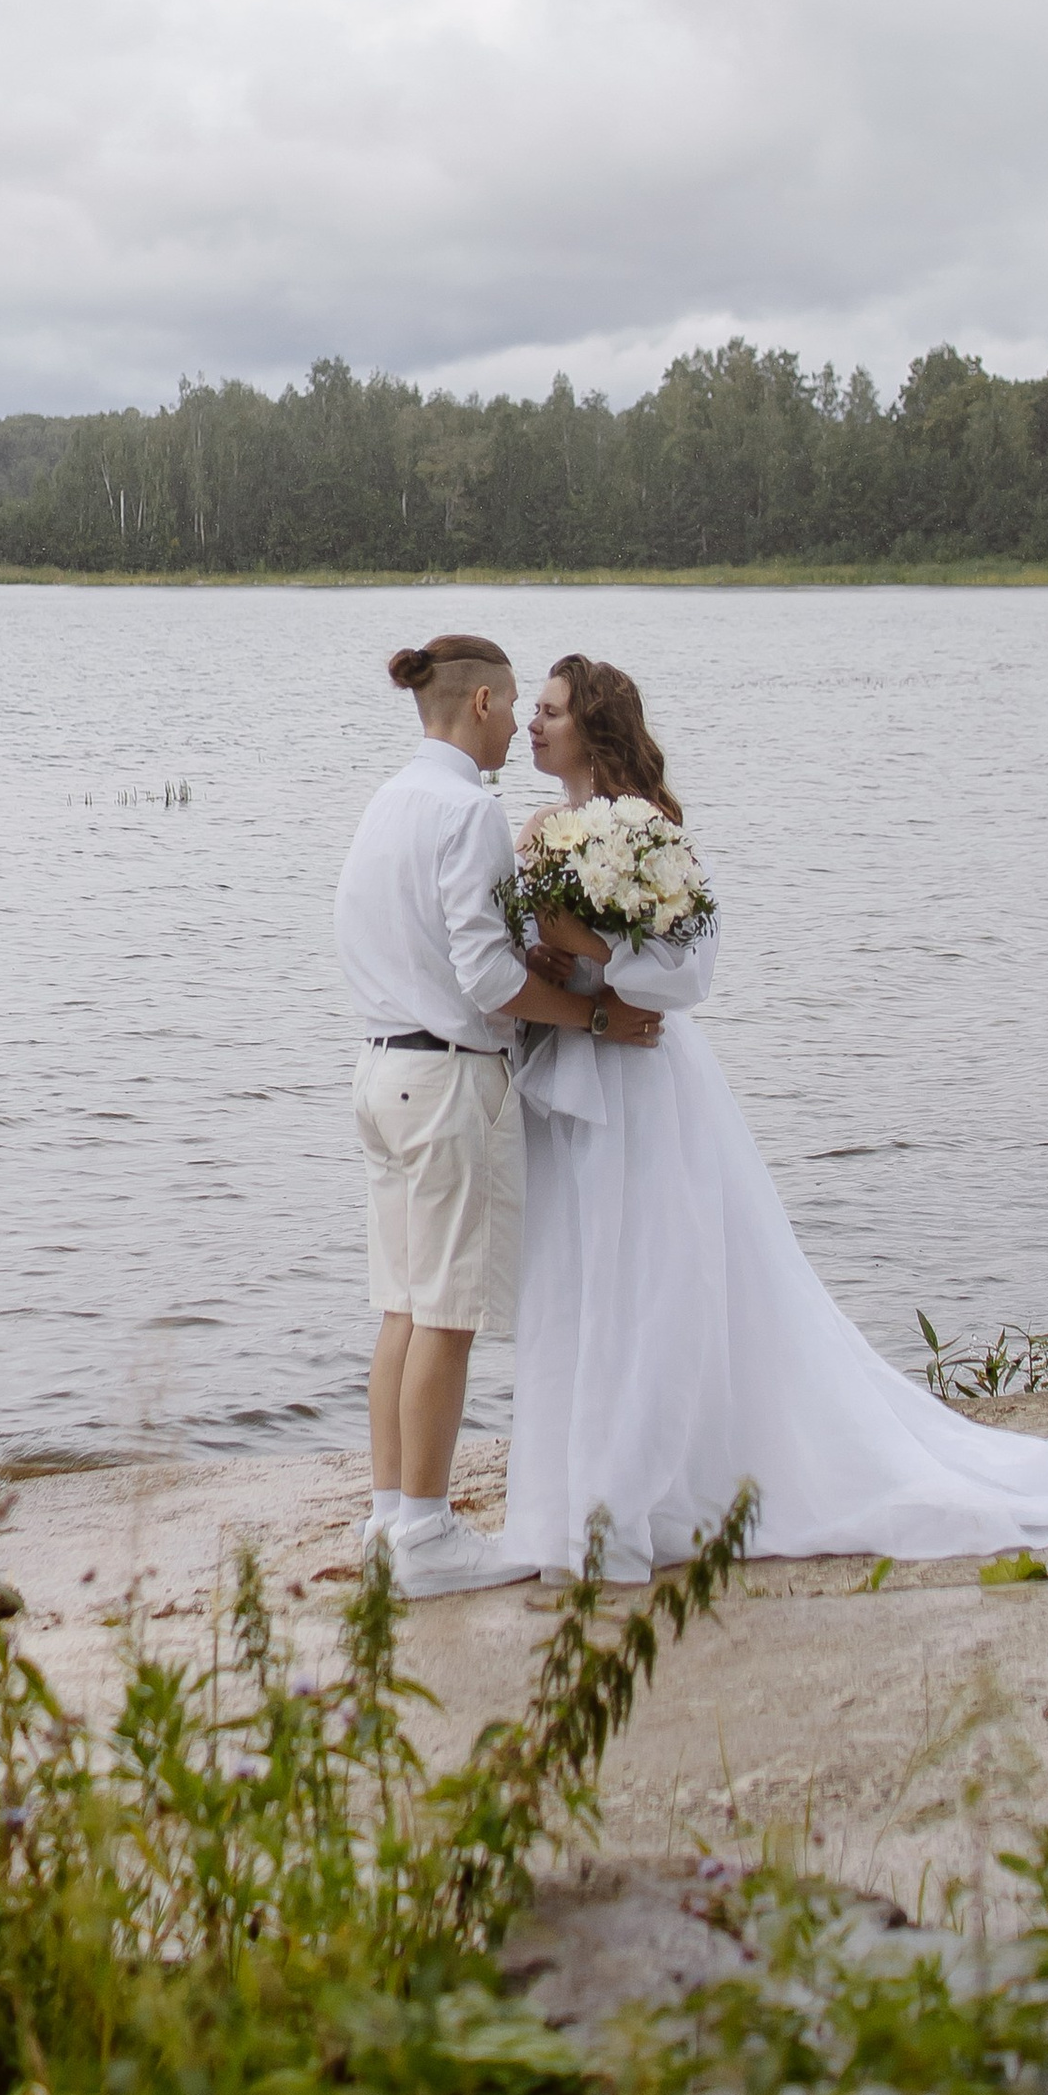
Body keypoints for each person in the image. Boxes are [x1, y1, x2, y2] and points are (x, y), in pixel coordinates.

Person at [502, 653, 1048, 1584]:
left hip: (642, 1077)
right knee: (579, 1282)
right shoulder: (533, 831)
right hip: (569, 1075)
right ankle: (582, 1495)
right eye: (532, 709)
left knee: (651, 1283)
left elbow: (688, 972)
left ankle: (636, 1494)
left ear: (594, 724)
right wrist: (557, 967)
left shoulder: (648, 831)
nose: (534, 722)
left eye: (552, 710)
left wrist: (597, 952)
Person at [335, 631, 668, 1598]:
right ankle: (431, 1535)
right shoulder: (467, 812)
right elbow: (485, 974)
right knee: (447, 1313)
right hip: (443, 1080)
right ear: (479, 704)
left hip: (380, 1067)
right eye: (514, 704)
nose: (520, 721)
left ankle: (390, 1517)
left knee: (401, 1304)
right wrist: (596, 1011)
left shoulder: (389, 801)